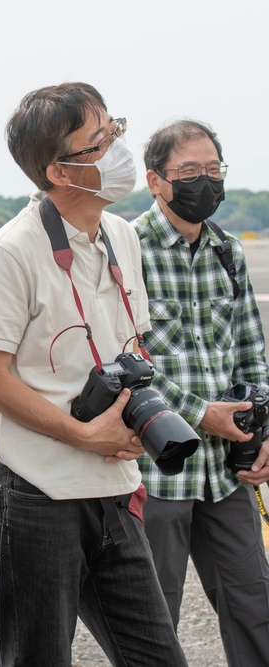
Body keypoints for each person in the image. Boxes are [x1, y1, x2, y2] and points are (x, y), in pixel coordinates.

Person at [0, 83, 187, 666]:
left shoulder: (121, 237)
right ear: (59, 171)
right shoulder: (13, 251)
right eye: (100, 142)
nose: (119, 149)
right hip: (37, 491)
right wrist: (85, 434)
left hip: (112, 489)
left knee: (159, 656)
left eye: (115, 130)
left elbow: (128, 349)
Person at [134, 119, 269, 666]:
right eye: (189, 171)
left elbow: (251, 351)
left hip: (227, 471)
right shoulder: (126, 250)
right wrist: (198, 414)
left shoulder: (228, 252)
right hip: (158, 470)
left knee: (253, 602)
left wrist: (260, 432)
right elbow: (127, 360)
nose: (205, 182)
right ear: (156, 181)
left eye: (213, 170)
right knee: (153, 614)